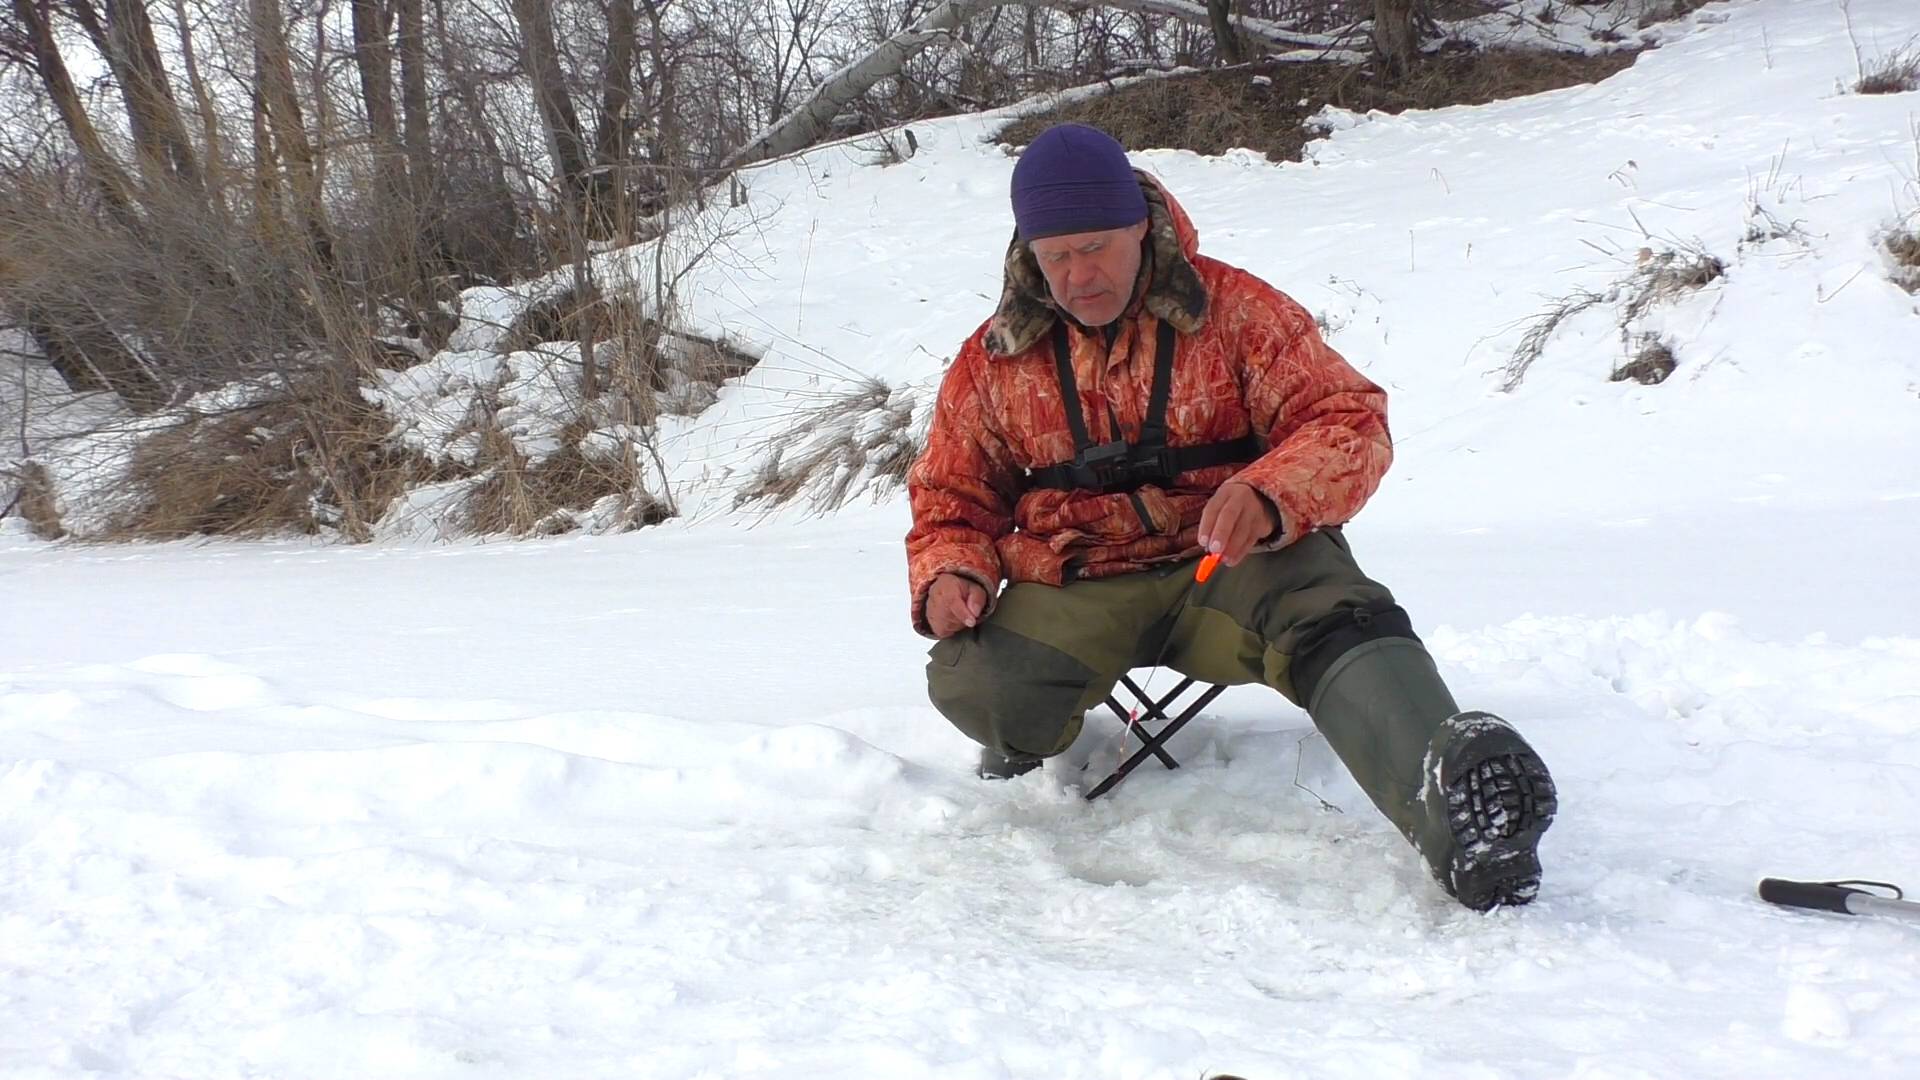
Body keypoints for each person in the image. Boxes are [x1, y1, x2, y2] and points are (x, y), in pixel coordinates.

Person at [902, 123, 1557, 911]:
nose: (1078, 275)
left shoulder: (1239, 312)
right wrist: (952, 574)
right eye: (1057, 255)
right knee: (979, 681)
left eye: (1097, 247)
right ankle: (1036, 748)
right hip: (1080, 580)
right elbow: (951, 499)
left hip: (1235, 563)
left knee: (1338, 616)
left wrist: (1271, 491)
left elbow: (1350, 421)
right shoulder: (993, 361)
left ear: (1141, 226)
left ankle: (1458, 815)